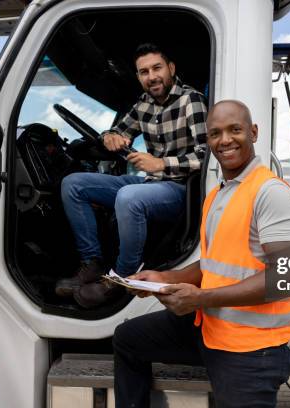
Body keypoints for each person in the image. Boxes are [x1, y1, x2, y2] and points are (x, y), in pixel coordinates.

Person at [112, 100, 290, 407]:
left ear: (253, 133)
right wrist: (165, 277)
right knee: (128, 340)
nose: (225, 140)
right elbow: (215, 262)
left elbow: (288, 276)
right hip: (212, 327)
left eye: (235, 130)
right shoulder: (219, 192)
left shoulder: (271, 193)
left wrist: (201, 299)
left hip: (252, 348)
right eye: (215, 133)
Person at [57, 43, 207, 307]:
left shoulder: (190, 100)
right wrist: (111, 137)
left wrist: (161, 164)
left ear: (171, 69)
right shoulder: (144, 104)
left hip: (180, 189)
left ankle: (122, 277)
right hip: (150, 183)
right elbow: (118, 131)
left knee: (129, 197)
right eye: (144, 72)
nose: (152, 76)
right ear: (138, 77)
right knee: (73, 184)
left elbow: (207, 155)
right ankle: (91, 261)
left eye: (157, 68)